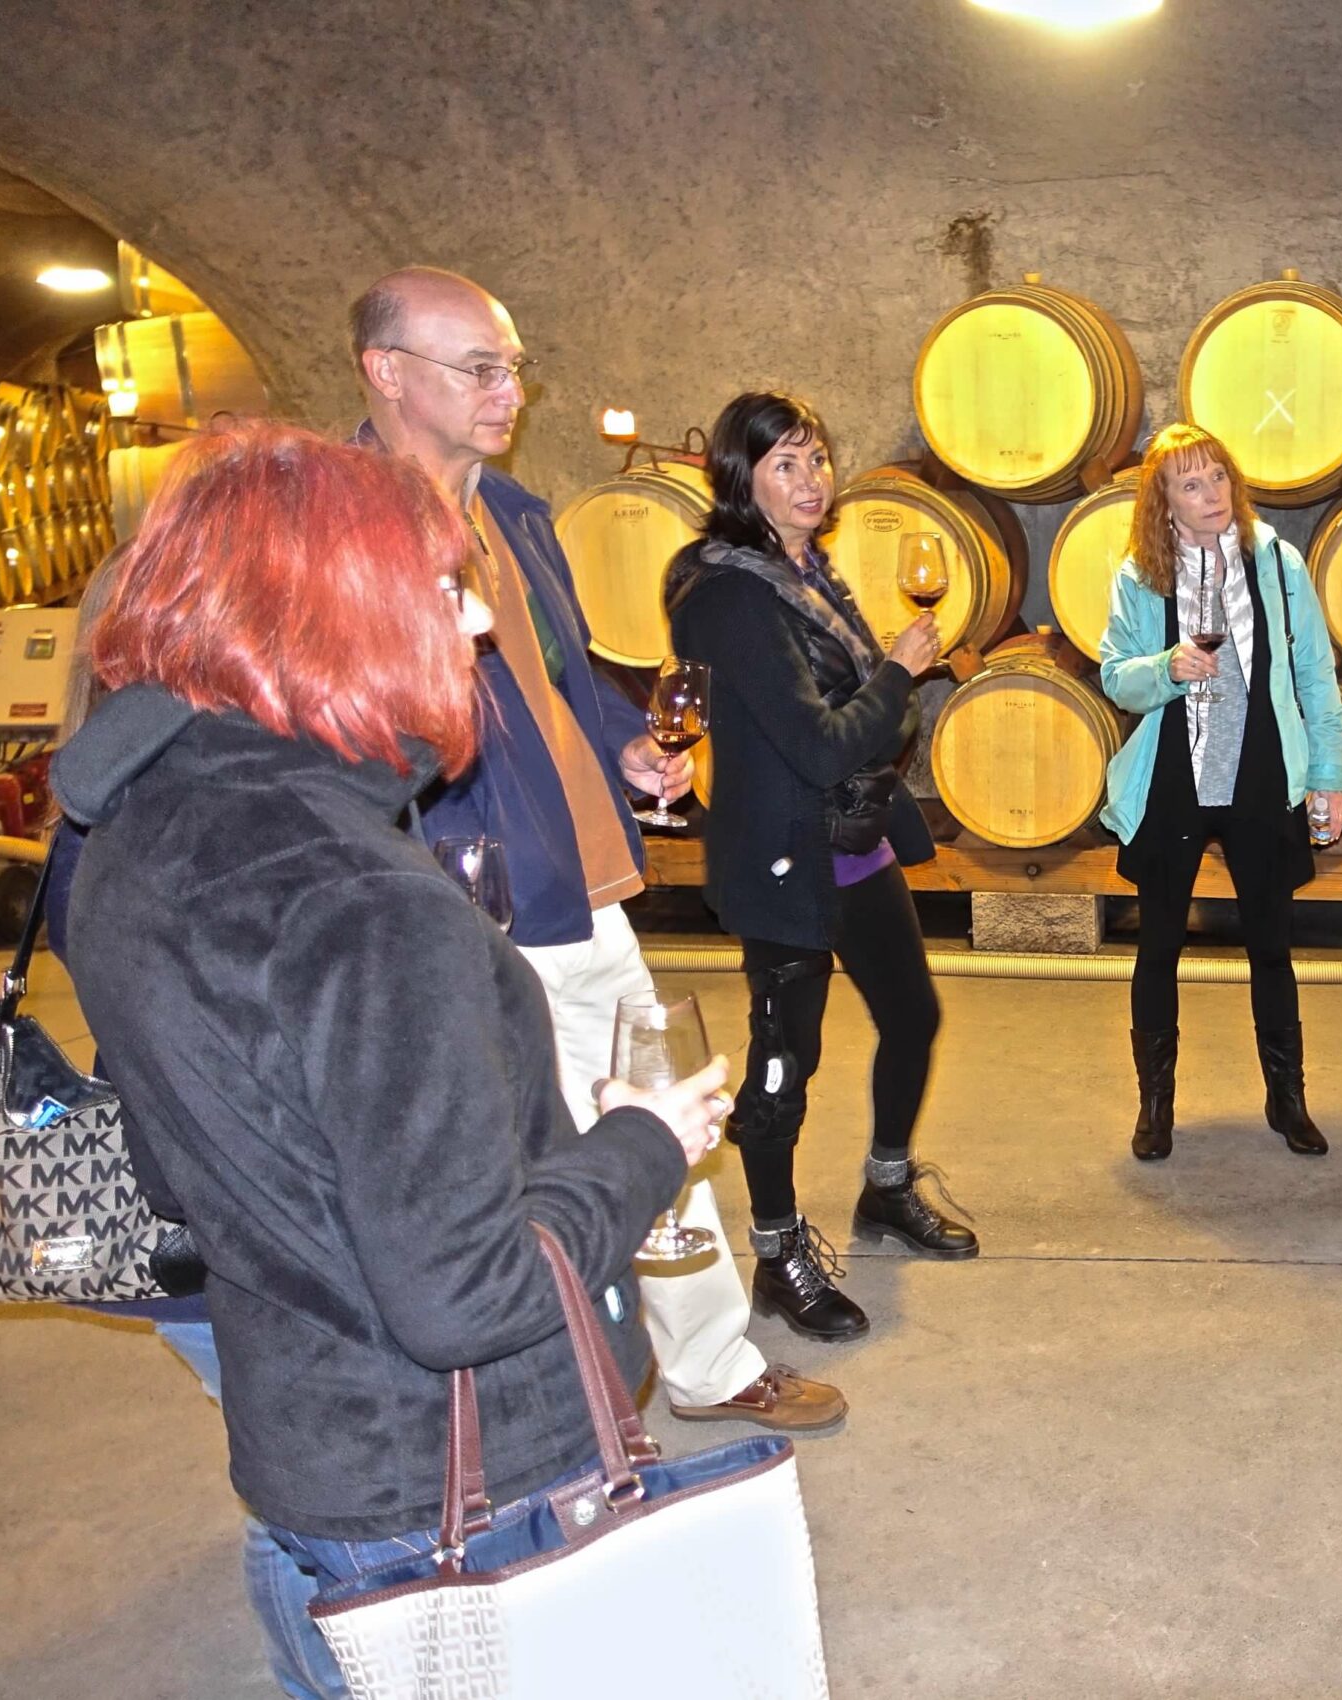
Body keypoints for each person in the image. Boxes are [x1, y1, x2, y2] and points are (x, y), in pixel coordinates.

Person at [54, 422, 730, 1700]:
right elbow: (465, 1297)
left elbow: (175, 1160)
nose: (474, 617)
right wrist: (642, 1141)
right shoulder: (365, 899)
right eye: (438, 584)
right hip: (460, 1494)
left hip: (308, 1473)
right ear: (331, 613)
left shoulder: (139, 828)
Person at [348, 268, 843, 1433]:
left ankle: (707, 1364)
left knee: (658, 1114)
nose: (508, 387)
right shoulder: (343, 525)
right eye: (479, 367)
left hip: (582, 878)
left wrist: (630, 748)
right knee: (516, 1155)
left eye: (512, 364)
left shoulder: (514, 514)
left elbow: (568, 679)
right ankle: (566, 1391)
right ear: (385, 371)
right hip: (467, 894)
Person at [664, 391, 977, 1343]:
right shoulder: (730, 594)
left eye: (818, 459)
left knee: (913, 1017)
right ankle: (775, 1250)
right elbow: (815, 742)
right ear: (742, 478)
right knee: (780, 1068)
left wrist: (888, 689)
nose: (812, 480)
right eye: (786, 465)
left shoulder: (804, 571)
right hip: (782, 860)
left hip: (853, 844)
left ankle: (885, 1186)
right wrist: (900, 674)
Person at [1096, 423, 1342, 1161]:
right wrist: (1165, 668)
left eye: (1218, 477)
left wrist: (1329, 776)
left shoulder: (1276, 563)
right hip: (1176, 775)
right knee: (1160, 944)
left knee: (1272, 944)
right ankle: (1155, 1106)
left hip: (1261, 772)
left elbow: (1313, 675)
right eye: (1191, 484)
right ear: (1164, 503)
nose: (1212, 495)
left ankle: (1288, 1099)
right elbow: (1116, 675)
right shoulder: (1141, 575)